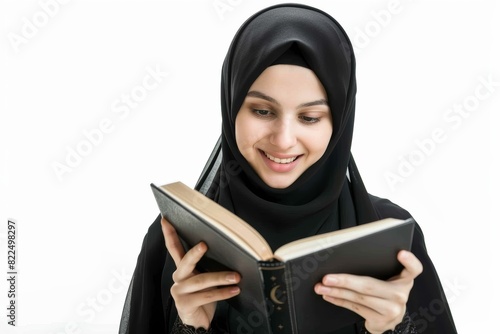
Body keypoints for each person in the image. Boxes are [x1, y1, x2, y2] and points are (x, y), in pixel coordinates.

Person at [119, 3, 457, 333]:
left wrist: (391, 328)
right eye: (262, 111)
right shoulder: (177, 239)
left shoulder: (389, 238)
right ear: (231, 105)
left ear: (339, 125)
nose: (283, 140)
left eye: (310, 117)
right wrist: (192, 327)